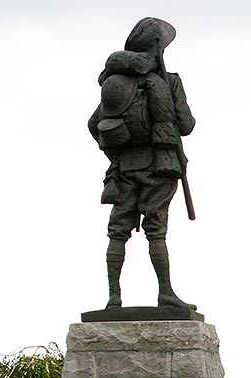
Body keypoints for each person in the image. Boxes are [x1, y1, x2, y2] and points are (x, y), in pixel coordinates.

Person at [88, 17, 196, 310]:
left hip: (123, 168)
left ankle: (114, 296)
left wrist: (115, 153)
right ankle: (166, 292)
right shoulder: (169, 82)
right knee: (156, 231)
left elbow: (94, 124)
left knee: (118, 232)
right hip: (160, 166)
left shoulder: (117, 85)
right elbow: (186, 125)